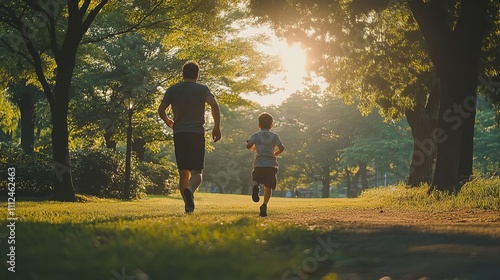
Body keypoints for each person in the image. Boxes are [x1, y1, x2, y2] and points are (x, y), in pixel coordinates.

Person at [158, 60, 221, 213]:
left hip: (179, 133)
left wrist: (168, 121)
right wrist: (216, 127)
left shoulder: (173, 89)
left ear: (183, 74)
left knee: (183, 173)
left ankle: (188, 206)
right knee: (197, 172)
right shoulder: (202, 89)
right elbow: (214, 104)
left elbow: (161, 109)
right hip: (196, 133)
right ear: (197, 76)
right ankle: (190, 192)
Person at [246, 112, 284, 217]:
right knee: (268, 187)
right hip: (271, 164)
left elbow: (249, 144)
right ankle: (264, 204)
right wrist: (275, 153)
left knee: (255, 179)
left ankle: (255, 187)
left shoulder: (256, 135)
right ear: (271, 125)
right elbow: (281, 148)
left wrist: (253, 147)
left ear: (259, 125)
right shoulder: (274, 136)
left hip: (259, 163)